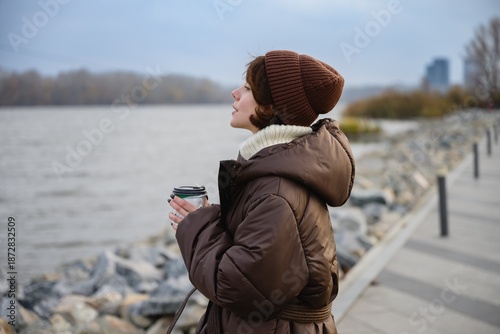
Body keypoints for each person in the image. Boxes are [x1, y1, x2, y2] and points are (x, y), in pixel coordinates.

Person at [168, 50, 355, 334]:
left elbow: (237, 285)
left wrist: (195, 228)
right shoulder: (280, 170)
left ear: (271, 106)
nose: (235, 93)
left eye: (247, 88)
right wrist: (211, 217)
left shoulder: (276, 189)